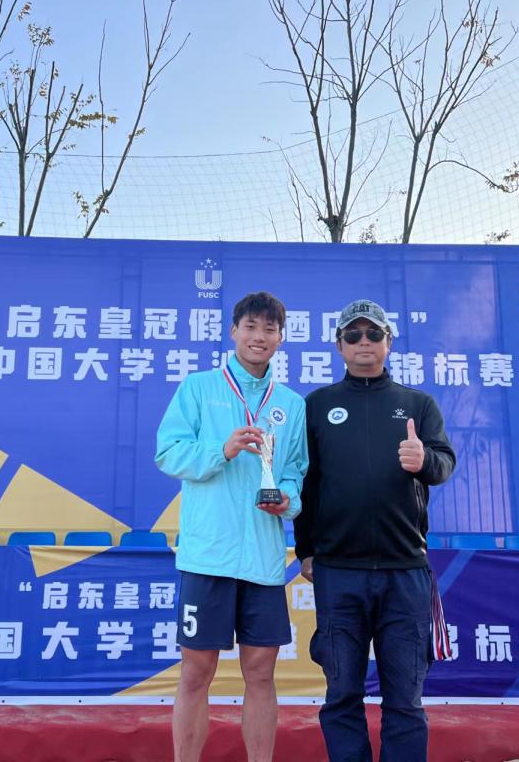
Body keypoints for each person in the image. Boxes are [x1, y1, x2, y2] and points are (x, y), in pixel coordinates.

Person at [295, 298, 455, 762]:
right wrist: (306, 550)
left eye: (373, 334)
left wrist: (424, 460)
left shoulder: (418, 404)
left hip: (404, 571)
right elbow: (306, 482)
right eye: (353, 335)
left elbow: (445, 463)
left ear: (388, 342)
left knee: (405, 699)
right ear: (339, 346)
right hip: (338, 572)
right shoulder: (317, 405)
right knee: (342, 695)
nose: (363, 342)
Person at [155, 291, 309, 762]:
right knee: (196, 672)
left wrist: (288, 500)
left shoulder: (291, 404)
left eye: (269, 329)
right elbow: (168, 453)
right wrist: (221, 450)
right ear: (233, 332)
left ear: (281, 338)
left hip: (262, 559)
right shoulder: (199, 388)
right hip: (208, 556)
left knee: (260, 673)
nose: (259, 337)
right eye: (251, 327)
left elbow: (295, 470)